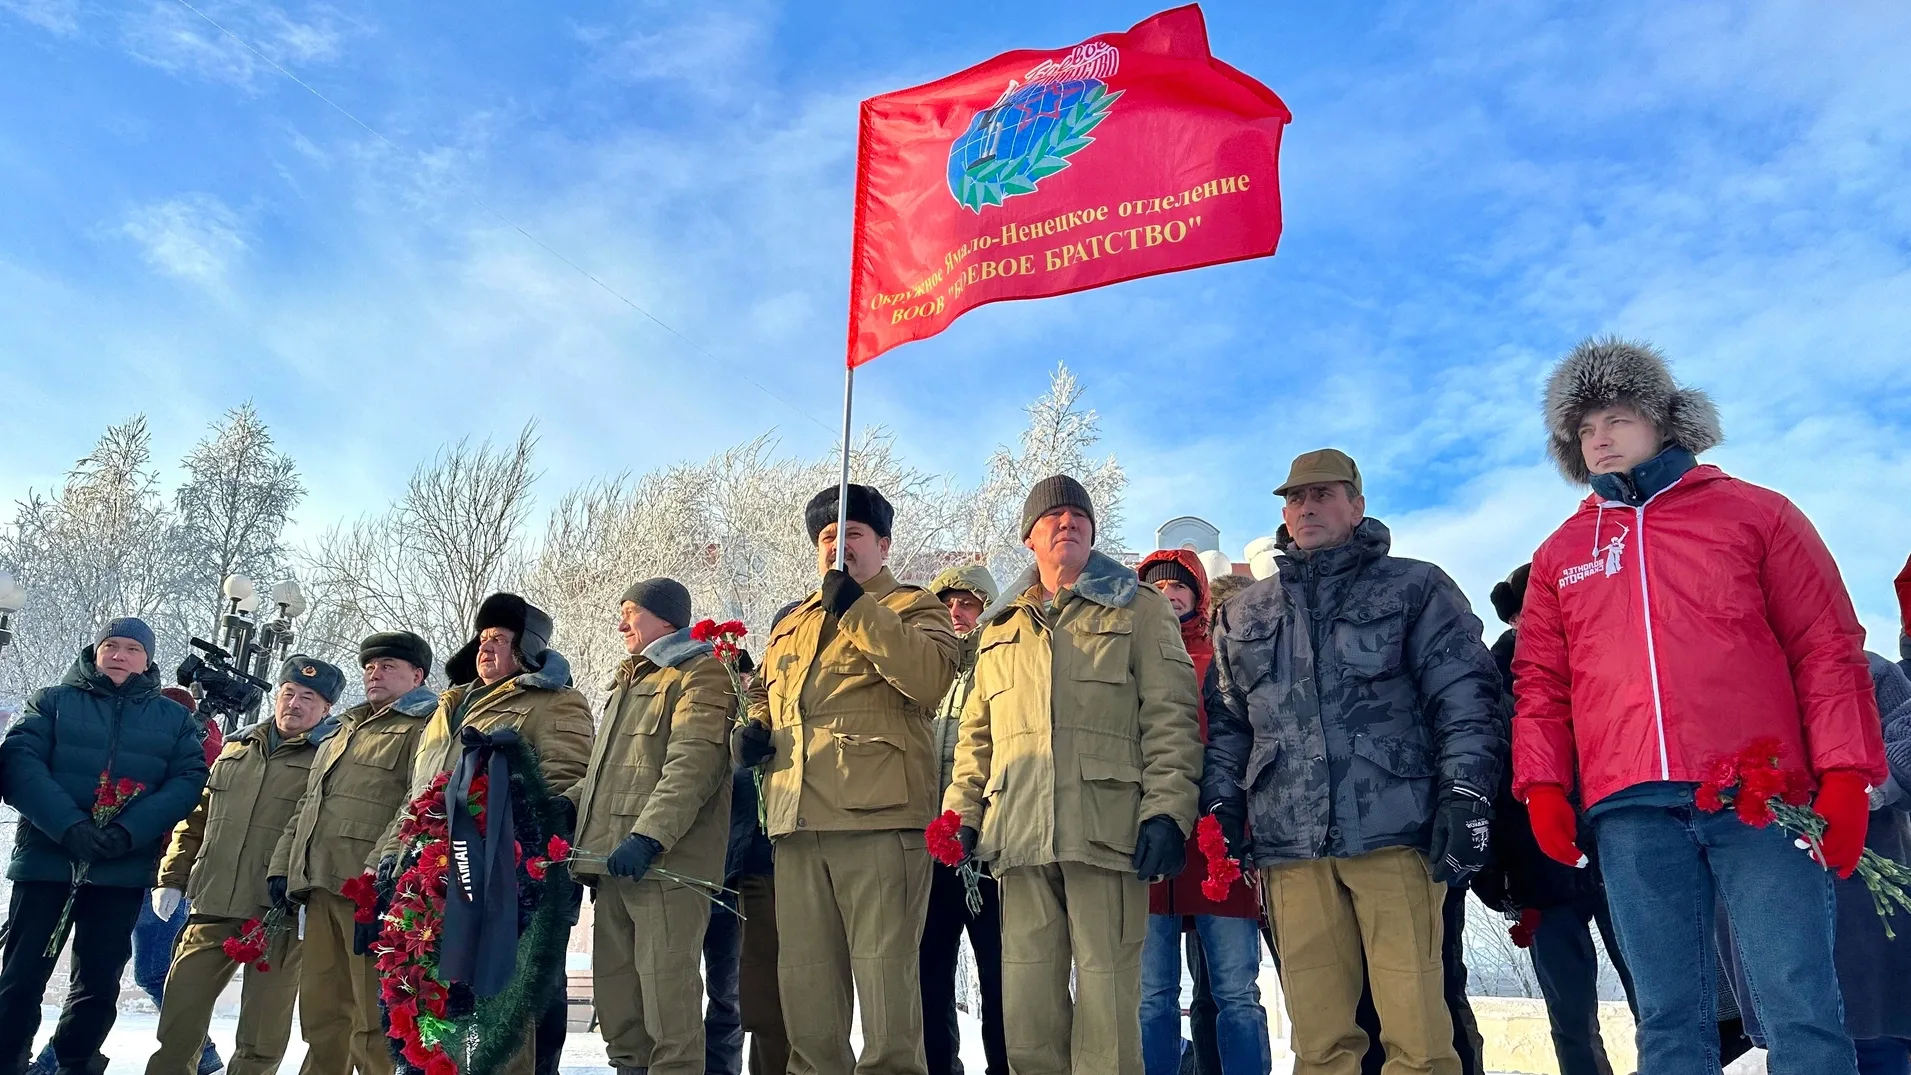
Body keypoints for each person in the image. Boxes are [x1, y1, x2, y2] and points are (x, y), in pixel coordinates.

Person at [1512, 337, 1886, 1075]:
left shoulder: (1757, 515)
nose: (1600, 437)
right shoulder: (1560, 554)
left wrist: (1843, 772)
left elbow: (1825, 646)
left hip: (1759, 795)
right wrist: (1544, 785)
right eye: (1584, 429)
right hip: (1630, 808)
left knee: (1798, 1000)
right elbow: (1540, 684)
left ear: (1663, 419)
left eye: (1615, 416)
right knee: (1668, 1016)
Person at [1203, 450, 1505, 1075]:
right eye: (1295, 498)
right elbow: (1230, 724)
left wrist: (1467, 795)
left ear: (1357, 505)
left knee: (1418, 1035)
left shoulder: (1415, 586)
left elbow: (1466, 697)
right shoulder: (1245, 612)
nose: (1307, 507)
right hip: (1289, 847)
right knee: (1320, 1043)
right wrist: (1221, 805)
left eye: (1324, 494)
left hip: (1395, 833)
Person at [944, 475, 1203, 1075]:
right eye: (1054, 516)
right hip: (1020, 837)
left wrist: (1167, 812)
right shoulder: (1000, 627)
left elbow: (1170, 718)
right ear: (1030, 536)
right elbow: (975, 738)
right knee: (1028, 1018)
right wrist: (961, 815)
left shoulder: (1140, 608)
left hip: (1108, 834)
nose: (1068, 522)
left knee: (1109, 1017)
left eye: (1079, 515)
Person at [732, 483, 958, 1075]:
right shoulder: (792, 624)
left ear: (883, 544)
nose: (838, 546)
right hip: (796, 821)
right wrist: (753, 725)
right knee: (807, 996)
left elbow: (931, 678)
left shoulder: (914, 606)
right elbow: (765, 690)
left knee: (887, 992)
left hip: (880, 819)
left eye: (852, 535)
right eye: (828, 537)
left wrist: (857, 610)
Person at [379, 594, 594, 1074]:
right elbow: (418, 796)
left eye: (500, 639)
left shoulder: (554, 702)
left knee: (511, 1006)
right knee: (432, 996)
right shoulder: (450, 706)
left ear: (527, 650)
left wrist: (529, 842)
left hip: (508, 877)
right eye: (482, 638)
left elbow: (565, 784)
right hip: (433, 873)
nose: (486, 646)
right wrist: (393, 855)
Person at [0, 618, 211, 1075]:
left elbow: (188, 781)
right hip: (47, 864)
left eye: (132, 648)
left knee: (97, 983)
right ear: (95, 652)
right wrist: (70, 826)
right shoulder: (53, 702)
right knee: (20, 979)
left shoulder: (172, 719)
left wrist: (128, 832)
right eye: (110, 645)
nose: (119, 654)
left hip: (121, 870)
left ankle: (77, 1063)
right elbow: (19, 763)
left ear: (148, 659)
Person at [1468, 562, 1636, 1075]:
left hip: (1622, 856)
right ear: (1516, 617)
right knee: (1570, 1014)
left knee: (1659, 998)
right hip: (1537, 868)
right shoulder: (1489, 686)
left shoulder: (1605, 662)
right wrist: (1493, 876)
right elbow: (1485, 781)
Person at [147, 657, 343, 1075]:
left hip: (279, 915)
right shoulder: (237, 748)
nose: (294, 704)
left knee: (261, 1038)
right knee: (178, 1025)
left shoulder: (332, 759)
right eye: (288, 694)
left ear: (326, 709)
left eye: (308, 698)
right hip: (213, 903)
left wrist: (314, 895)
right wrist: (173, 877)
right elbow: (196, 818)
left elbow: (329, 834)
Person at [570, 578, 735, 1075]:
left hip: (666, 870)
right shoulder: (628, 683)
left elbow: (692, 766)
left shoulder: (700, 674)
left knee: (670, 1012)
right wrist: (563, 807)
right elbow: (607, 778)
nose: (621, 623)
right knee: (620, 1009)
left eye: (631, 612)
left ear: (665, 619)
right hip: (612, 867)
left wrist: (648, 837)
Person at [27, 688, 226, 1075]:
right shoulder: (196, 746)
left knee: (120, 972)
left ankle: (198, 1051)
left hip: (157, 876)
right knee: (115, 971)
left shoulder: (194, 753)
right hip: (139, 870)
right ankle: (201, 1051)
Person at [269, 631, 438, 1075]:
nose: (374, 674)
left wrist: (381, 869)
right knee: (323, 1013)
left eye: (388, 667)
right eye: (369, 667)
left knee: (372, 1016)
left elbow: (417, 802)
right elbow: (310, 803)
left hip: (369, 891)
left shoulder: (425, 726)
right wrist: (284, 867)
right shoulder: (346, 727)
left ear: (417, 675)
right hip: (320, 884)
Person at [1133, 549, 1269, 1075]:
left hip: (1219, 834)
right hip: (1152, 834)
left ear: (1198, 597)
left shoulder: (1223, 657)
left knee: (1236, 988)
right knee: (1153, 992)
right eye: (1156, 590)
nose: (1167, 598)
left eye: (1178, 589)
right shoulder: (1128, 657)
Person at [920, 561, 1008, 1075]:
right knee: (929, 971)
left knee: (1000, 973)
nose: (956, 612)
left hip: (987, 846)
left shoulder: (996, 666)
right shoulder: (921, 675)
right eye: (948, 603)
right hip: (926, 847)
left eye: (969, 604)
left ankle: (1004, 1064)